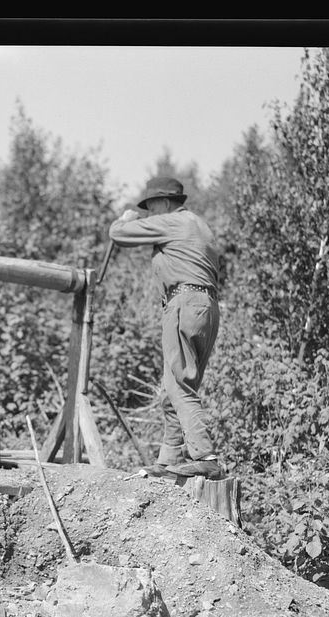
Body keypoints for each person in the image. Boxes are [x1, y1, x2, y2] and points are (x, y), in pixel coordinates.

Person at [108, 176, 224, 479]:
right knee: (175, 387)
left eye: (150, 206)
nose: (148, 213)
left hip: (183, 303)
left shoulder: (172, 222)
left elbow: (118, 234)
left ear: (164, 203)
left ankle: (204, 455)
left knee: (178, 385)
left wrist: (125, 218)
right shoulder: (201, 226)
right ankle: (168, 459)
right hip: (207, 307)